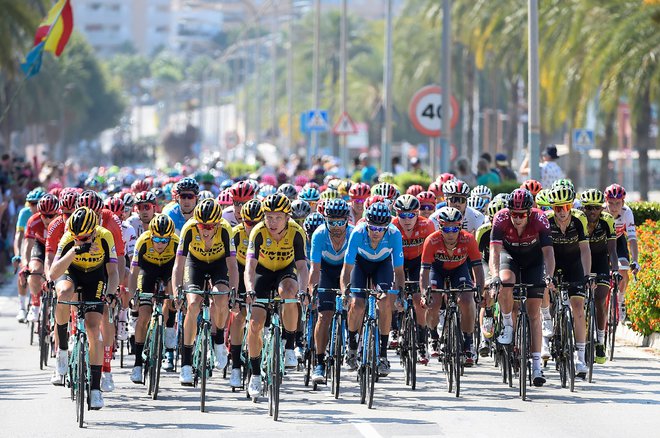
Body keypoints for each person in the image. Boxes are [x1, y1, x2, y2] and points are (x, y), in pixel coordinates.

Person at [49, 207, 120, 409]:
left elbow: (113, 273)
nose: (81, 239)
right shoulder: (69, 237)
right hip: (72, 273)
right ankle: (62, 350)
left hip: (95, 278)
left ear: (95, 231)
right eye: (77, 237)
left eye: (85, 237)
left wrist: (111, 293)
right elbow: (54, 274)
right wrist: (74, 250)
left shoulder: (105, 236)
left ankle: (96, 389)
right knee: (62, 294)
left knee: (93, 327)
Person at [244, 193, 309, 398]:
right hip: (262, 272)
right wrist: (249, 289)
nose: (272, 222)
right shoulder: (259, 232)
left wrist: (304, 291)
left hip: (285, 271)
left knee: (289, 292)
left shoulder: (297, 233)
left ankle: (289, 345)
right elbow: (250, 266)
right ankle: (255, 375)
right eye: (269, 217)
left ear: (287, 217)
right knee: (255, 324)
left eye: (278, 217)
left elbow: (302, 267)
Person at [489, 188, 555, 387]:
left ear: (529, 212)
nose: (516, 219)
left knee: (534, 313)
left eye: (521, 215)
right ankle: (508, 324)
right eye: (513, 214)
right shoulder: (500, 219)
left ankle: (536, 366)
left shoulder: (540, 219)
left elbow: (549, 253)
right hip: (510, 257)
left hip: (534, 260)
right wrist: (493, 276)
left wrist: (549, 276)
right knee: (505, 280)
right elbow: (494, 251)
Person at [172, 199, 238, 385]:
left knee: (221, 298)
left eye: (210, 226)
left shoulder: (225, 229)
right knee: (193, 304)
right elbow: (179, 265)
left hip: (218, 264)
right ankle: (185, 363)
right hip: (195, 264)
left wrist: (233, 292)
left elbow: (232, 266)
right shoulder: (189, 228)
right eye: (202, 226)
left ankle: (218, 341)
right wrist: (177, 292)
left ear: (217, 224)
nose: (206, 230)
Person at [341, 202, 404, 377]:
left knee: (384, 302)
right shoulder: (358, 233)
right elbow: (346, 270)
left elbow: (399, 272)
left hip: (383, 266)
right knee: (357, 304)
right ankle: (352, 347)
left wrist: (400, 295)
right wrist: (345, 292)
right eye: (373, 227)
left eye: (381, 228)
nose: (376, 232)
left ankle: (383, 354)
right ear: (367, 224)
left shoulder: (394, 234)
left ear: (387, 226)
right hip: (360, 265)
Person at [420, 207, 485, 366]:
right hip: (437, 270)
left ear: (460, 227)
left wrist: (480, 291)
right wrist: (423, 293)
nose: (450, 233)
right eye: (446, 229)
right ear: (440, 227)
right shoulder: (432, 240)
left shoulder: (468, 239)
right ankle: (433, 335)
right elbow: (424, 271)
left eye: (455, 228)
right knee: (433, 301)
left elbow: (477, 268)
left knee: (467, 300)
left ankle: (468, 341)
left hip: (459, 269)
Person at [545, 186, 592, 378]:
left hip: (574, 263)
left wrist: (587, 275)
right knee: (544, 291)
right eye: (557, 208)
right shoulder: (546, 221)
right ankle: (547, 330)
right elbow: (543, 253)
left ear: (571, 206)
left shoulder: (579, 219)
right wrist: (546, 275)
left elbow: (585, 250)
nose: (562, 212)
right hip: (552, 262)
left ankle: (580, 357)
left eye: (565, 206)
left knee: (578, 307)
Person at [128, 214, 179, 382]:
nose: (160, 244)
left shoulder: (176, 242)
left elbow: (180, 272)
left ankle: (169, 328)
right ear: (151, 235)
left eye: (165, 240)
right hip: (147, 270)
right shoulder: (143, 241)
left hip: (168, 269)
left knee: (172, 292)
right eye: (157, 239)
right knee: (144, 314)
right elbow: (133, 273)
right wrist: (133, 294)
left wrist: (178, 296)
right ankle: (137, 364)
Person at [309, 199, 354, 382]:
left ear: (346, 220)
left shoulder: (353, 234)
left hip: (348, 270)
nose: (336, 227)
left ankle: (353, 344)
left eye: (340, 222)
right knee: (323, 316)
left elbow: (357, 267)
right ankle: (319, 363)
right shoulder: (319, 234)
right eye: (331, 222)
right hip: (326, 272)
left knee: (355, 305)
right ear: (325, 220)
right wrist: (312, 291)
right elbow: (314, 268)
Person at [392, 195, 437, 364]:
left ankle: (421, 342)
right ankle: (394, 328)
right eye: (402, 215)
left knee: (419, 301)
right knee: (394, 293)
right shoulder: (392, 226)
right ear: (396, 214)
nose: (407, 219)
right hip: (398, 262)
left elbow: (434, 250)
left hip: (419, 262)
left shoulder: (427, 225)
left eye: (411, 215)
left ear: (417, 214)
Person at [579, 189, 618, 364]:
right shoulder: (577, 220)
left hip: (601, 261)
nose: (592, 211)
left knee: (600, 299)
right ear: (583, 208)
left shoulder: (607, 220)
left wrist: (615, 270)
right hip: (580, 261)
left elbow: (612, 250)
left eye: (596, 207)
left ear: (602, 209)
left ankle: (600, 341)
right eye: (588, 208)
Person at [228, 199, 263, 388]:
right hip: (241, 270)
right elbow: (229, 265)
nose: (252, 227)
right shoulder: (235, 234)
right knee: (239, 316)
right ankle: (235, 366)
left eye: (257, 223)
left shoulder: (266, 233)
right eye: (248, 223)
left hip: (261, 271)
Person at [604, 184, 639, 320]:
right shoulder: (601, 211)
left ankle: (621, 300)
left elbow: (632, 239)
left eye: (617, 203)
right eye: (610, 203)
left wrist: (635, 260)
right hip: (603, 242)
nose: (613, 207)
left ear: (623, 202)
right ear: (606, 202)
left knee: (624, 268)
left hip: (619, 241)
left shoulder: (627, 212)